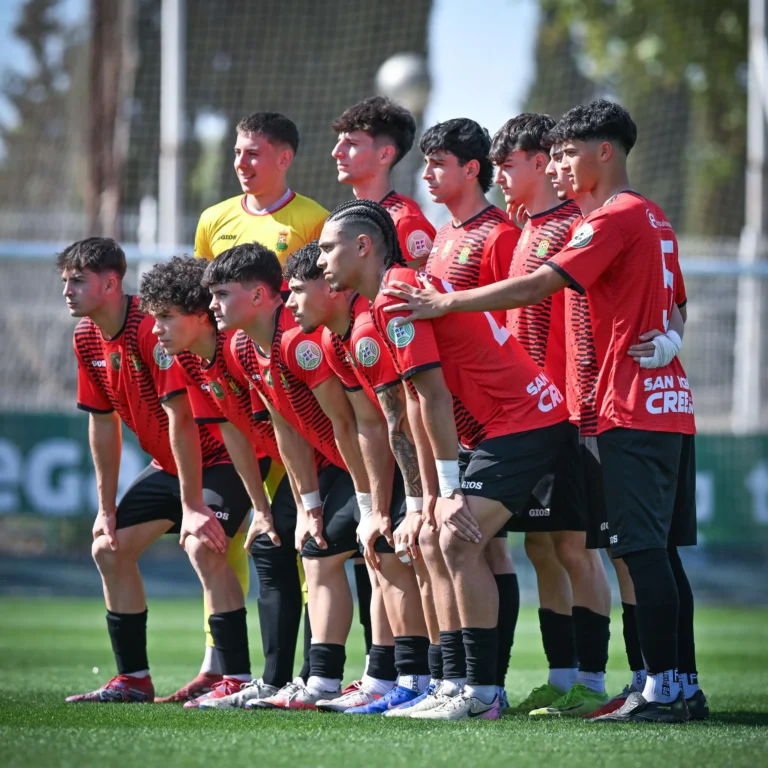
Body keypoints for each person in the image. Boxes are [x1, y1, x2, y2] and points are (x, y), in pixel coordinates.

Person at [381, 99, 704, 724]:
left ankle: (655, 686)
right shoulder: (653, 217)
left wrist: (444, 305)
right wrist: (671, 337)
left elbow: (536, 288)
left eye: (566, 154)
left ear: (603, 152)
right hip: (654, 405)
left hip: (622, 406)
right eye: (552, 155)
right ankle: (673, 683)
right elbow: (675, 305)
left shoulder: (607, 218)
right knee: (646, 551)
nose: (558, 166)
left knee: (631, 551)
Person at [316, 199, 571, 721]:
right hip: (500, 428)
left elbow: (429, 398)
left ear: (363, 246)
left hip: (528, 420)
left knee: (455, 537)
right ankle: (450, 683)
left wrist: (448, 493)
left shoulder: (392, 299)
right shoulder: (383, 300)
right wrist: (424, 499)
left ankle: (482, 693)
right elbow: (412, 403)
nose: (321, 261)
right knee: (432, 536)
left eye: (327, 248)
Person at [161, 111, 328, 702]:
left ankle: (313, 673)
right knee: (236, 540)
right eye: (237, 151)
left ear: (284, 157)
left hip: (297, 394)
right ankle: (224, 664)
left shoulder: (312, 219)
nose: (241, 162)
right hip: (239, 390)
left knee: (305, 539)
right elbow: (200, 302)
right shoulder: (214, 219)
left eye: (254, 152)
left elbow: (323, 301)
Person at [60, 238, 252, 705]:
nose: (67, 290)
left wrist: (191, 507)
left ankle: (237, 679)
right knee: (108, 548)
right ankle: (134, 679)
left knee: (203, 546)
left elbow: (182, 419)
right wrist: (106, 509)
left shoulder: (153, 325)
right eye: (64, 281)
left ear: (110, 283)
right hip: (168, 465)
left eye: (77, 281)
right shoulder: (86, 336)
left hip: (221, 461)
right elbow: (102, 426)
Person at [201, 243, 378, 711]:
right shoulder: (242, 347)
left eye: (221, 294)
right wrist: (308, 506)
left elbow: (349, 424)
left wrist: (366, 503)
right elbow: (286, 427)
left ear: (261, 296)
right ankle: (285, 680)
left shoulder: (299, 343)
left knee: (336, 551)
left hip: (368, 462)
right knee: (276, 542)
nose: (212, 306)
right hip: (331, 467)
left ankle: (360, 677)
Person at [137, 256, 308, 709]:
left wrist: (293, 503)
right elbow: (234, 434)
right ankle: (238, 676)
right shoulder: (192, 359)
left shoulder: (240, 347)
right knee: (216, 543)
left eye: (166, 317)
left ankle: (330, 678)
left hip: (312, 453)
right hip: (266, 457)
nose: (156, 330)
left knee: (308, 548)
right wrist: (255, 508)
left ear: (198, 316)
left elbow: (286, 425)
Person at [488, 113, 613, 718]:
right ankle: (561, 677)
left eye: (506, 164)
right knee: (541, 546)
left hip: (570, 412)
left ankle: (593, 680)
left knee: (573, 546)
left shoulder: (575, 226)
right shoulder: (529, 228)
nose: (497, 178)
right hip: (528, 416)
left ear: (540, 163)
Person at [284, 242, 434, 713]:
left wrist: (417, 499)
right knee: (374, 554)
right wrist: (370, 508)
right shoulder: (333, 339)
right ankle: (382, 679)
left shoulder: (368, 328)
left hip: (439, 453)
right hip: (396, 462)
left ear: (329, 287)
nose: (290, 303)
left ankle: (426, 679)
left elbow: (406, 418)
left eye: (296, 291)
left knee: (401, 552)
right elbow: (363, 424)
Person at [419, 117, 524, 703]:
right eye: (428, 162)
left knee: (480, 543)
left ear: (471, 169)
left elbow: (512, 325)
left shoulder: (498, 235)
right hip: (460, 421)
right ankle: (459, 681)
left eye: (439, 163)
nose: (429, 173)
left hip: (501, 419)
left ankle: (491, 683)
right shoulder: (444, 234)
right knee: (475, 544)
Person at [332, 96, 435, 268]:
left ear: (385, 154)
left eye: (351, 144)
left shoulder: (405, 222)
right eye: (338, 142)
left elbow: (424, 292)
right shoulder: (342, 218)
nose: (336, 152)